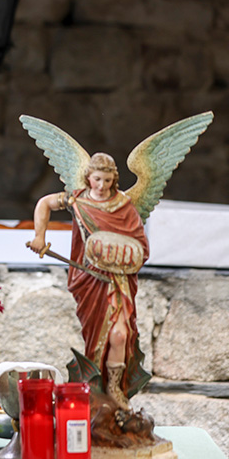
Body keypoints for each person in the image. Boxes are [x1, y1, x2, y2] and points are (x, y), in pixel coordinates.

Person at [28, 153, 149, 409]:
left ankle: (115, 388)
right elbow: (44, 204)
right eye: (97, 179)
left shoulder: (123, 205)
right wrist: (39, 236)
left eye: (107, 180)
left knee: (119, 334)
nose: (101, 185)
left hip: (117, 282)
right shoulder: (76, 199)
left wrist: (122, 257)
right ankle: (95, 392)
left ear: (114, 179)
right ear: (88, 177)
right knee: (94, 337)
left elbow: (139, 245)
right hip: (89, 280)